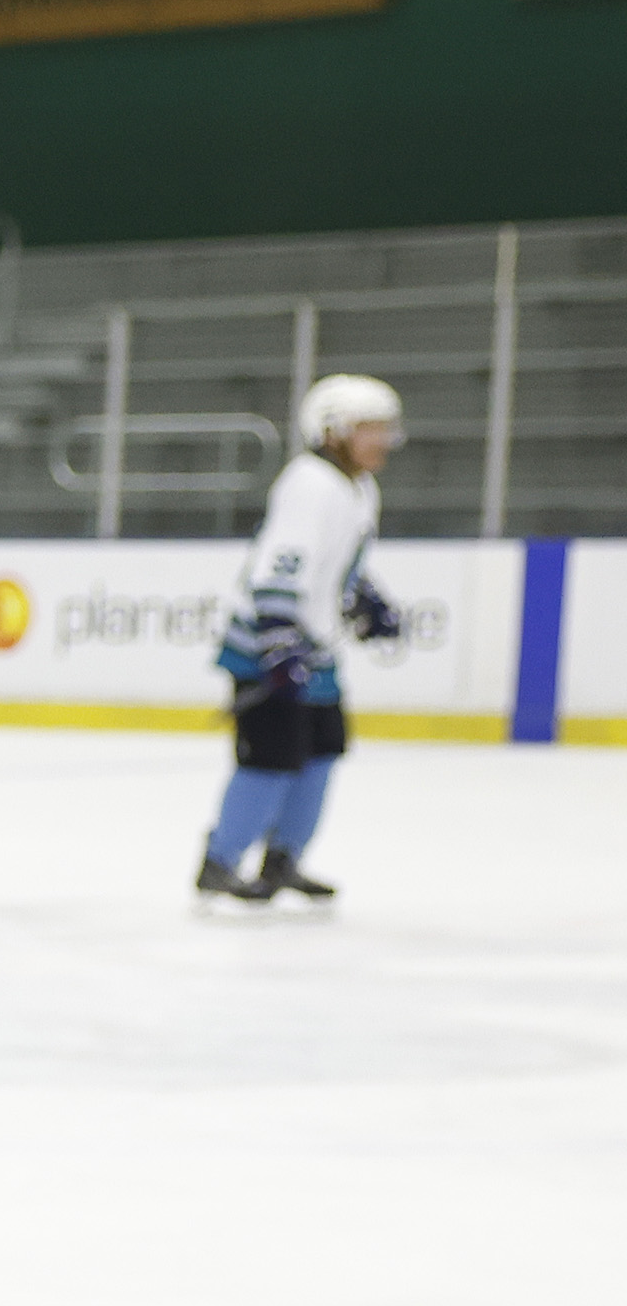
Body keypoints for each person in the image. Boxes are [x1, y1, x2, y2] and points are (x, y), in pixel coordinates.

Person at [199, 373, 402, 908]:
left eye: (385, 428)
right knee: (270, 756)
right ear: (333, 430)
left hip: (315, 649)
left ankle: (284, 860)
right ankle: (220, 863)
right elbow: (279, 568)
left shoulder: (359, 488)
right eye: (370, 428)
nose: (382, 439)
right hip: (268, 645)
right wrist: (278, 644)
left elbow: (338, 564)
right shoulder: (309, 483)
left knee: (321, 752)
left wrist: (366, 600)